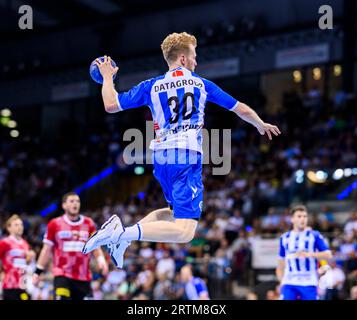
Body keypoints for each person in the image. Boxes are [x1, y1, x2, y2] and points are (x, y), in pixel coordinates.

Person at [82, 32, 281, 267]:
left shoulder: (152, 85)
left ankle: (122, 239)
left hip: (161, 157)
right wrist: (260, 124)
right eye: (194, 56)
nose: (196, 61)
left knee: (172, 212)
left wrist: (107, 78)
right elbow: (240, 109)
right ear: (184, 59)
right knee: (186, 232)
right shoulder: (201, 84)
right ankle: (119, 234)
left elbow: (111, 104)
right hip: (185, 155)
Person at [32, 192, 108, 300]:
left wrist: (101, 260)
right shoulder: (54, 224)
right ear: (64, 205)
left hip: (83, 276)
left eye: (77, 201)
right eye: (71, 201)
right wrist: (37, 272)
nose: (75, 204)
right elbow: (46, 250)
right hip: (62, 275)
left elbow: (95, 246)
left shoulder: (89, 223)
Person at [275, 205, 332, 300]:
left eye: (305, 216)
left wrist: (310, 254)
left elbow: (328, 255)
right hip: (289, 282)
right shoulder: (284, 238)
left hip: (308, 281)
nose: (303, 219)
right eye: (299, 216)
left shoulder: (314, 235)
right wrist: (282, 281)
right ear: (292, 219)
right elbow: (280, 263)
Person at [0, 214, 34, 300]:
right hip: (10, 286)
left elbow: (24, 263)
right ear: (9, 228)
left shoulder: (25, 244)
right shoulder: (5, 242)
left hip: (23, 285)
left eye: (21, 224)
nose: (20, 227)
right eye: (16, 225)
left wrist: (30, 258)